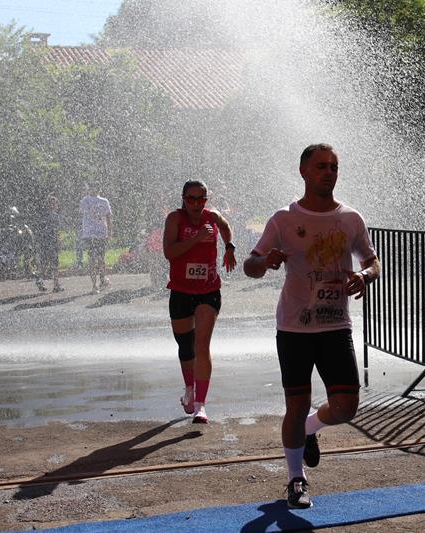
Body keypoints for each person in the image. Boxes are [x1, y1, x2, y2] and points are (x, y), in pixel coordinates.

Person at [243, 144, 380, 509]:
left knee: (347, 406)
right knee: (296, 402)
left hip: (336, 325)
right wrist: (265, 261)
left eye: (334, 166)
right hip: (294, 328)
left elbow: (372, 260)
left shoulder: (351, 218)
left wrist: (365, 276)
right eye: (321, 166)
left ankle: (309, 428)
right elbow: (250, 265)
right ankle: (296, 479)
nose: (328, 172)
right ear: (303, 171)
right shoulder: (284, 218)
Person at [164, 180, 236, 424]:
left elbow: (226, 226)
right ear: (183, 199)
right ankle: (189, 388)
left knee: (201, 345)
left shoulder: (212, 217)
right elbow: (169, 252)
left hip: (208, 290)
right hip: (181, 291)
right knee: (185, 347)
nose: (196, 204)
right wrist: (196, 239)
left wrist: (229, 247)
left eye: (201, 199)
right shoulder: (175, 219)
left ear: (207, 200)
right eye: (191, 199)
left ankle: (201, 406)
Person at [79, 184, 112, 293]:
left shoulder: (84, 200)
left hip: (89, 234)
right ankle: (101, 279)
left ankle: (95, 285)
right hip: (100, 233)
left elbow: (80, 213)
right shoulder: (104, 201)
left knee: (93, 259)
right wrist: (110, 232)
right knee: (100, 258)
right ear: (100, 189)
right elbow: (109, 217)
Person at [34, 195, 63, 293]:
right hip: (47, 243)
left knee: (50, 264)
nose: (53, 205)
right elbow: (55, 231)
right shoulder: (48, 216)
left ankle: (44, 281)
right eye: (52, 203)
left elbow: (57, 231)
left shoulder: (52, 216)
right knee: (50, 264)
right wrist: (58, 241)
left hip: (49, 242)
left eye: (54, 203)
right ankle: (54, 284)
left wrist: (58, 241)